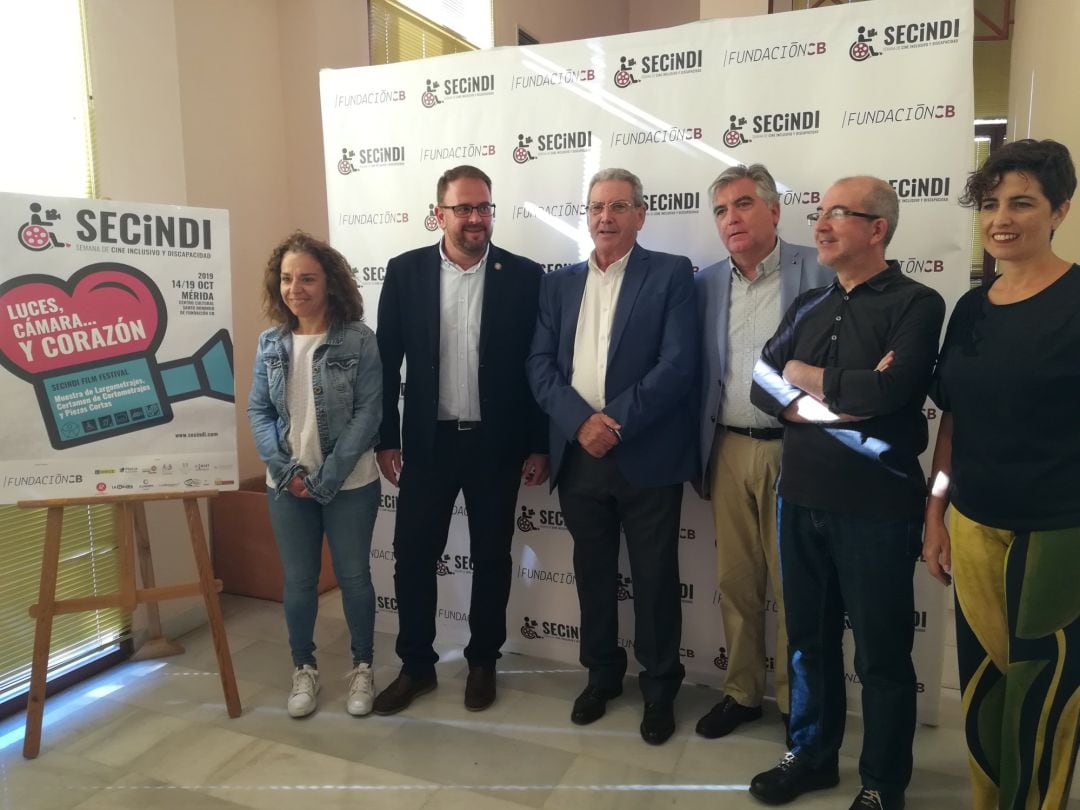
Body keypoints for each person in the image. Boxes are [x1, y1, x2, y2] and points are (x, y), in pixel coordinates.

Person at [749, 176, 945, 810]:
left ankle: (883, 783)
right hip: (800, 497)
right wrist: (825, 394)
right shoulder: (808, 303)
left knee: (883, 655)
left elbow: (888, 394)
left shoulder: (918, 303)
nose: (821, 225)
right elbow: (759, 381)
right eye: (820, 214)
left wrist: (802, 376)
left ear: (877, 228)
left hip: (877, 509)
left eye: (838, 214)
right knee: (807, 640)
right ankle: (811, 757)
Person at [923, 139, 1080, 810]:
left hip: (1058, 531)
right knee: (987, 691)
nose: (1001, 219)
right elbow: (952, 423)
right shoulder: (972, 306)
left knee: (1041, 699)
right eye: (990, 204)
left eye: (1022, 202)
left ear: (1061, 210)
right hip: (973, 522)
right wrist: (936, 511)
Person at [527, 167, 698, 745]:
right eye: (597, 206)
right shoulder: (558, 284)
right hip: (580, 455)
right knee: (592, 575)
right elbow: (540, 365)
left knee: (654, 578)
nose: (606, 216)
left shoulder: (671, 274)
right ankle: (601, 676)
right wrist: (580, 424)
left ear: (640, 215)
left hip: (645, 453)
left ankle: (658, 689)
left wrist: (614, 424)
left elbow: (677, 364)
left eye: (619, 206)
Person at [372, 165, 548, 715]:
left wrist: (539, 442)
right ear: (439, 213)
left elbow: (538, 366)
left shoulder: (524, 275)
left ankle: (482, 662)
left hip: (497, 445)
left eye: (484, 207)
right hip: (428, 443)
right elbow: (386, 362)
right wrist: (385, 437)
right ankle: (416, 667)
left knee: (492, 558)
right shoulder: (405, 273)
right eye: (464, 208)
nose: (476, 218)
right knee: (412, 557)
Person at [695, 163, 831, 743]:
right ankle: (741, 692)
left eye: (745, 204)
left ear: (775, 210)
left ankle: (797, 704)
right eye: (722, 210)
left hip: (796, 450)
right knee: (737, 581)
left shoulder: (819, 269)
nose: (733, 219)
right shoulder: (704, 283)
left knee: (794, 584)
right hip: (726, 447)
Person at [247, 231, 382, 718]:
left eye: (306, 277)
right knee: (300, 583)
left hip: (349, 483)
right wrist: (286, 472)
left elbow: (370, 414)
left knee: (354, 579)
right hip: (286, 486)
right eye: (286, 278)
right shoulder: (270, 343)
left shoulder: (358, 339)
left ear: (329, 282)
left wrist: (326, 477)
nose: (295, 288)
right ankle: (303, 668)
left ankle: (363, 668)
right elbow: (258, 412)